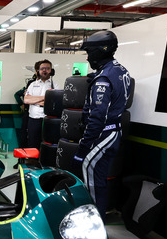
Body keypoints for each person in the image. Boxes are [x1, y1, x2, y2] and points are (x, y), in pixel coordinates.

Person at [68, 30, 131, 221]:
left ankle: (95, 225)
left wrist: (82, 150)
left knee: (92, 181)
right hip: (113, 132)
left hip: (104, 134)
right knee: (98, 180)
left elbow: (97, 118)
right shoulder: (119, 69)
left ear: (99, 51)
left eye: (89, 52)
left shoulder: (103, 79)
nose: (87, 57)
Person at [23, 59, 55, 148]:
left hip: (48, 119)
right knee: (32, 142)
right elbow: (26, 100)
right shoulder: (32, 84)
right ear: (38, 71)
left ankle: (43, 161)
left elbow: (54, 103)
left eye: (47, 68)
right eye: (42, 68)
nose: (44, 70)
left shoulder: (55, 85)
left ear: (51, 71)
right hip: (33, 118)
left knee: (47, 143)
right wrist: (46, 97)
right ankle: (33, 161)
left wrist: (34, 100)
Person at [14, 61, 40, 148]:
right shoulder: (31, 84)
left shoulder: (51, 84)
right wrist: (21, 104)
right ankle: (24, 154)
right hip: (29, 113)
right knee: (25, 133)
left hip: (42, 115)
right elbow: (22, 97)